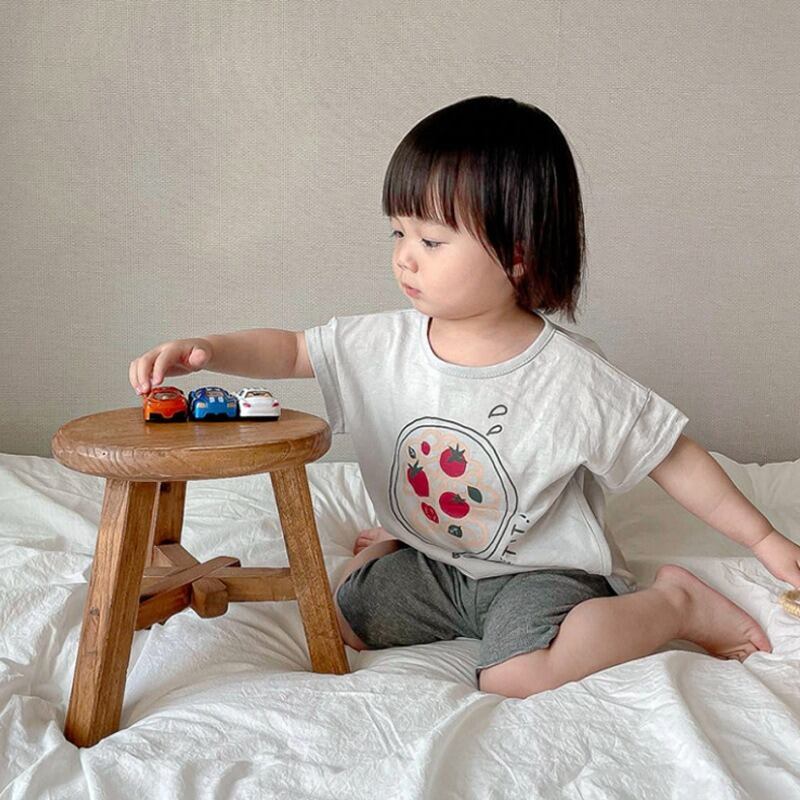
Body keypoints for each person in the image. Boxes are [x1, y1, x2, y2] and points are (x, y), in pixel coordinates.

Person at [129, 95, 800, 700]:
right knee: (336, 620)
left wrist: (764, 539)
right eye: (398, 232)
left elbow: (671, 455)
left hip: (539, 572)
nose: (405, 257)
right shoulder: (384, 342)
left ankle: (675, 605)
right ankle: (388, 546)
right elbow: (291, 351)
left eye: (431, 240)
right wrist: (207, 349)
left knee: (513, 677)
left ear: (517, 255)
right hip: (434, 564)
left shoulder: (570, 376)